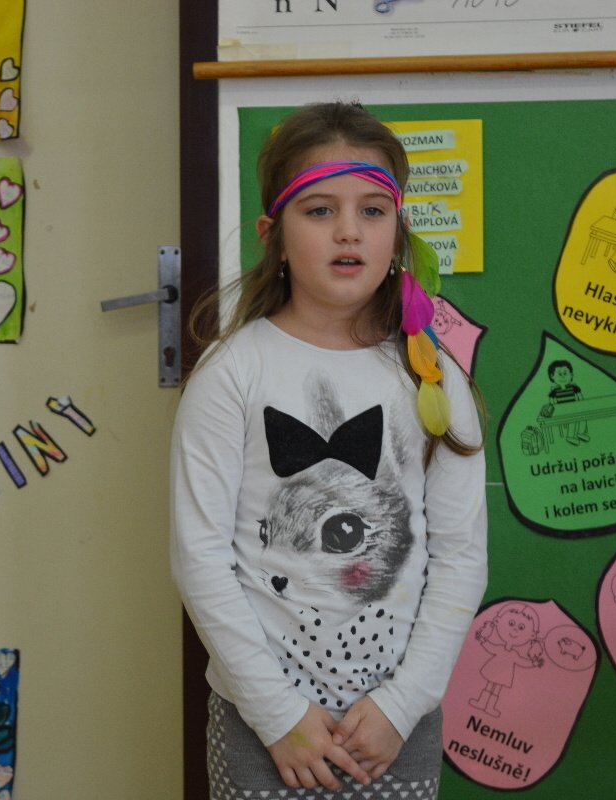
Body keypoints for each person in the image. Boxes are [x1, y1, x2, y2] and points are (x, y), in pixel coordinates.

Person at [170, 101, 488, 799]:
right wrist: (278, 715)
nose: (349, 230)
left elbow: (460, 556)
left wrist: (402, 705)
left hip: (395, 729)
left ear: (398, 230)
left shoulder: (431, 376)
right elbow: (200, 558)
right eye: (319, 211)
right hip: (263, 728)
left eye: (373, 211)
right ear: (274, 237)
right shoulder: (233, 374)